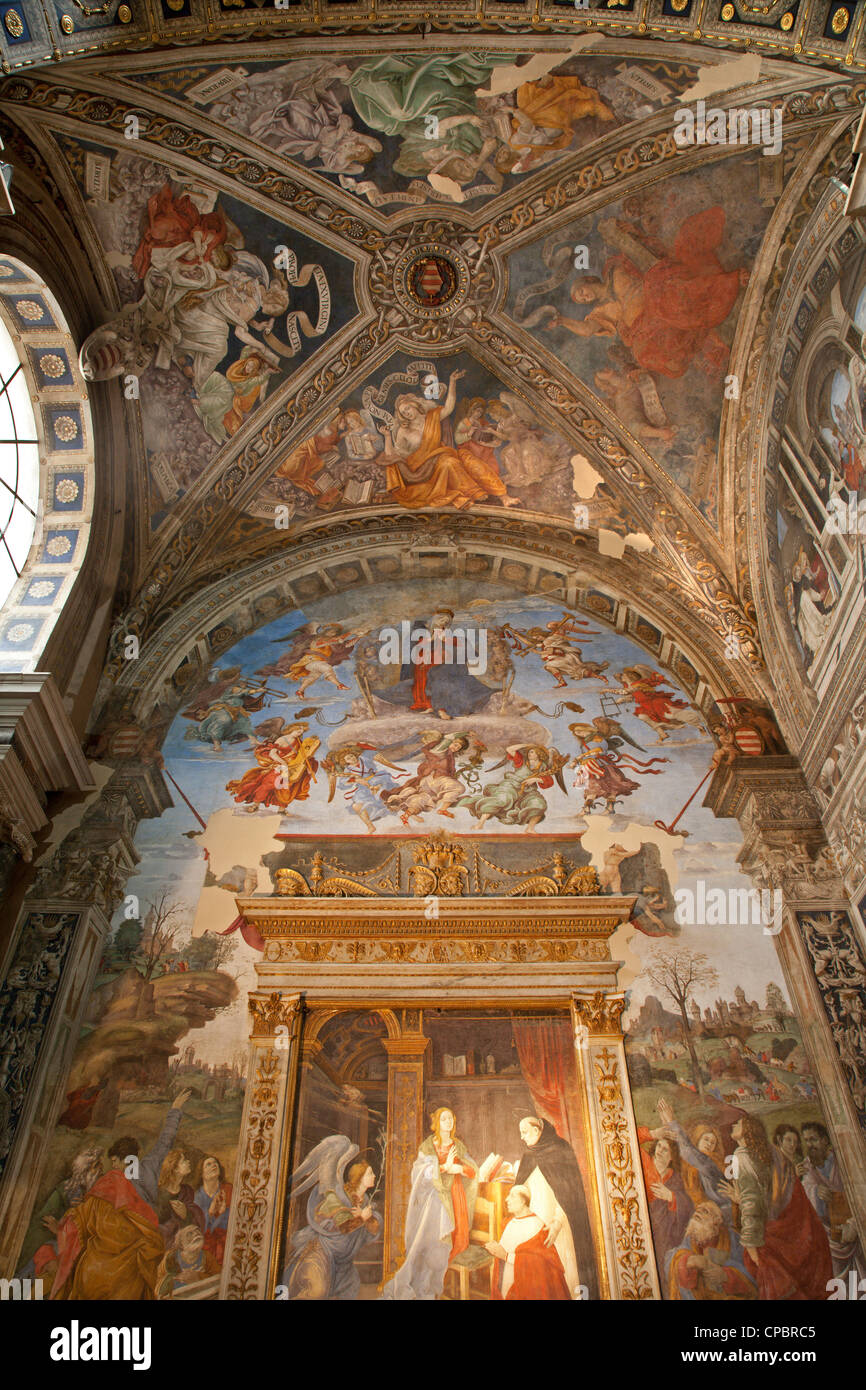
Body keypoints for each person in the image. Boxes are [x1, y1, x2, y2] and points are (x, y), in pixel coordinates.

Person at [719, 1114, 832, 1299]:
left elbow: (753, 1203)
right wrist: (741, 1200)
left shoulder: (742, 1156)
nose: (733, 1123)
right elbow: (766, 1197)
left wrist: (751, 1245)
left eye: (738, 1122)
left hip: (768, 1237)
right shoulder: (769, 1152)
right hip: (789, 1232)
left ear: (748, 1130)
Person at [375, 371, 518, 509]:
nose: (407, 413)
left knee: (468, 458)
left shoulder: (432, 417)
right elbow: (393, 455)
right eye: (403, 412)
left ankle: (503, 496)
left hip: (440, 456)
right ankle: (474, 492)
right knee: (449, 463)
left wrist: (452, 382)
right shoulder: (403, 431)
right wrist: (387, 436)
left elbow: (449, 407)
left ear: (415, 405)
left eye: (407, 408)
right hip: (419, 470)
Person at [50, 1134, 165, 1300]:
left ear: (121, 1161)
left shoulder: (108, 1183)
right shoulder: (138, 1197)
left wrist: (60, 1227)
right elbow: (151, 1231)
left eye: (114, 1161)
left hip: (96, 1267)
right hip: (129, 1276)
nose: (112, 1166)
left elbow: (81, 1219)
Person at [382, 1107, 478, 1300]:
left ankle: (440, 1285)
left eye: (450, 1118)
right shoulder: (428, 1145)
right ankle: (426, 1286)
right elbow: (417, 1172)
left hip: (454, 1198)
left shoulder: (458, 1146)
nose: (448, 1122)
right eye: (444, 1119)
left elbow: (473, 1170)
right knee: (429, 1243)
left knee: (452, 1243)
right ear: (436, 1123)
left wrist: (458, 1168)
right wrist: (442, 1167)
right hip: (433, 1201)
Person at [282, 1136, 380, 1300]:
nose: (374, 1176)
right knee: (317, 1292)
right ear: (360, 1178)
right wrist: (362, 1219)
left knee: (351, 1289)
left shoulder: (365, 1202)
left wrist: (368, 1219)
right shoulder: (337, 1197)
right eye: (370, 1173)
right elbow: (340, 1228)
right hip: (321, 1254)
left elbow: (374, 1230)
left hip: (342, 1262)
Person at [513, 1116, 598, 1300]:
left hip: (558, 1226)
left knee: (562, 1276)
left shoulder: (561, 1150)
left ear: (537, 1131)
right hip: (534, 1224)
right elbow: (523, 1187)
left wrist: (558, 1222)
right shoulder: (529, 1155)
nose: (521, 1137)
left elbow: (569, 1195)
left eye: (524, 1132)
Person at [800, 1121, 864, 1282]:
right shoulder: (807, 1166)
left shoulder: (841, 1160)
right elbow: (806, 1190)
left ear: (825, 1140)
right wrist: (815, 1191)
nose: (810, 1145)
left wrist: (853, 1222)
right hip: (829, 1233)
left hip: (852, 1225)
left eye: (813, 1139)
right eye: (806, 1140)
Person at [486, 1185, 571, 1300]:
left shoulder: (536, 1225)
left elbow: (538, 1265)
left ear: (522, 1201)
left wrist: (505, 1256)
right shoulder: (508, 1223)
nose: (507, 1199)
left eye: (512, 1196)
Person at [666, 1201, 757, 1301]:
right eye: (697, 1211)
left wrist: (725, 1276)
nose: (697, 1213)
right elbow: (670, 1259)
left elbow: (751, 1277)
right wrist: (687, 1260)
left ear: (716, 1222)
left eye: (705, 1211)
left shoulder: (733, 1239)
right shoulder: (691, 1239)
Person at [637, 1128, 694, 1263]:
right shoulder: (643, 1161)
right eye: (659, 1146)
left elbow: (688, 1206)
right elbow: (626, 1139)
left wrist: (671, 1196)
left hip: (664, 1236)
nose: (660, 1151)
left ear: (672, 1156)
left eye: (665, 1149)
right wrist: (652, 1134)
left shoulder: (676, 1179)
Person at [156, 1224, 219, 1299]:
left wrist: (198, 1277)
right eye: (190, 1233)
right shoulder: (170, 1258)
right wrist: (174, 1279)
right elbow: (158, 1284)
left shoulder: (207, 1257)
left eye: (197, 1230)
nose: (196, 1233)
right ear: (181, 1243)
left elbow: (219, 1279)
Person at [156, 1148, 203, 1246]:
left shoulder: (187, 1191)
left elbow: (195, 1217)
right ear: (175, 1169)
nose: (188, 1161)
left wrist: (186, 1214)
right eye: (184, 1160)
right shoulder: (158, 1192)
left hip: (182, 1238)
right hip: (161, 1238)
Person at [193, 1156, 232, 1265]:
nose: (214, 1165)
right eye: (208, 1164)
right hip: (206, 1243)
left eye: (215, 1163)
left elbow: (232, 1223)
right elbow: (199, 1228)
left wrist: (223, 1212)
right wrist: (210, 1212)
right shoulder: (197, 1197)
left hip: (226, 1240)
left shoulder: (228, 1189)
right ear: (201, 1173)